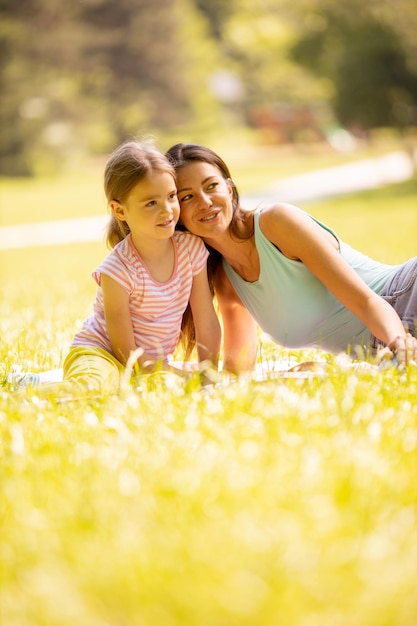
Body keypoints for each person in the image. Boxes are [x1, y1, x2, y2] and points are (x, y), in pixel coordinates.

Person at [166, 142, 417, 374]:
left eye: (212, 186)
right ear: (177, 214)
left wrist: (399, 342)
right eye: (187, 197)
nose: (205, 202)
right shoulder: (226, 280)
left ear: (229, 189)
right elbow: (237, 370)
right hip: (383, 348)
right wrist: (172, 372)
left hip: (402, 300)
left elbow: (365, 301)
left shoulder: (276, 223)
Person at [20, 140, 220, 395]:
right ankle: (22, 393)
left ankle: (34, 382)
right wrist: (180, 375)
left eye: (171, 197)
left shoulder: (190, 249)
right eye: (151, 203)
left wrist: (208, 374)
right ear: (119, 210)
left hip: (149, 366)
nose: (167, 210)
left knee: (167, 388)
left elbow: (207, 321)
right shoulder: (117, 270)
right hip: (102, 355)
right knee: (96, 387)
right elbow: (126, 353)